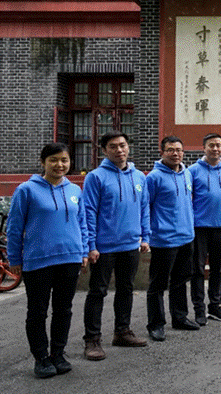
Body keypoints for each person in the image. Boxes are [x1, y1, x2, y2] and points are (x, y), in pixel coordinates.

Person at [6, 143, 88, 378]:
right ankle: (41, 358)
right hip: (38, 260)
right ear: (43, 162)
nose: (59, 165)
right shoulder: (26, 190)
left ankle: (58, 354)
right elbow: (14, 227)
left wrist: (83, 251)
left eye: (64, 160)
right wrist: (14, 257)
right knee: (37, 311)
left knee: (64, 310)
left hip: (70, 259)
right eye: (53, 160)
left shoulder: (74, 190)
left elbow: (82, 223)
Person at [82, 131, 150, 360]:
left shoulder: (139, 177)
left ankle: (122, 331)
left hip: (130, 244)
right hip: (104, 246)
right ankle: (92, 339)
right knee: (97, 292)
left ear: (128, 147)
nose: (119, 150)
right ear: (104, 150)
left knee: (126, 289)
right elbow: (88, 212)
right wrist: (91, 245)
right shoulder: (95, 177)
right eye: (113, 146)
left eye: (122, 145)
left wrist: (145, 236)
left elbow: (144, 208)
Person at [145, 136, 199, 342]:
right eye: (170, 150)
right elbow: (146, 207)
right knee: (158, 284)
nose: (175, 153)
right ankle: (156, 324)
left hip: (186, 237)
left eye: (178, 150)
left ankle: (180, 317)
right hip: (164, 239)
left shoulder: (187, 174)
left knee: (180, 281)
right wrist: (147, 234)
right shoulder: (154, 178)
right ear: (162, 152)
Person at [188, 133, 221, 324]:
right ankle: (199, 309)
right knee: (197, 269)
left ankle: (215, 305)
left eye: (218, 145)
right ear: (204, 148)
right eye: (211, 145)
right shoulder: (192, 170)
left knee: (219, 269)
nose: (215, 149)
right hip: (200, 227)